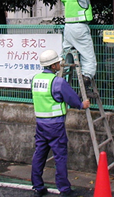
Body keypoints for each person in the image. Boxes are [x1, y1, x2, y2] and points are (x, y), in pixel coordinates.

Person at [31, 49, 90, 197]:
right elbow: (71, 98)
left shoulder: (35, 79)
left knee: (39, 154)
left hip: (40, 124)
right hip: (55, 125)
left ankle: (37, 186)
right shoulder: (57, 82)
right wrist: (82, 104)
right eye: (57, 63)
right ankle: (64, 189)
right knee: (60, 157)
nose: (59, 64)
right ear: (52, 66)